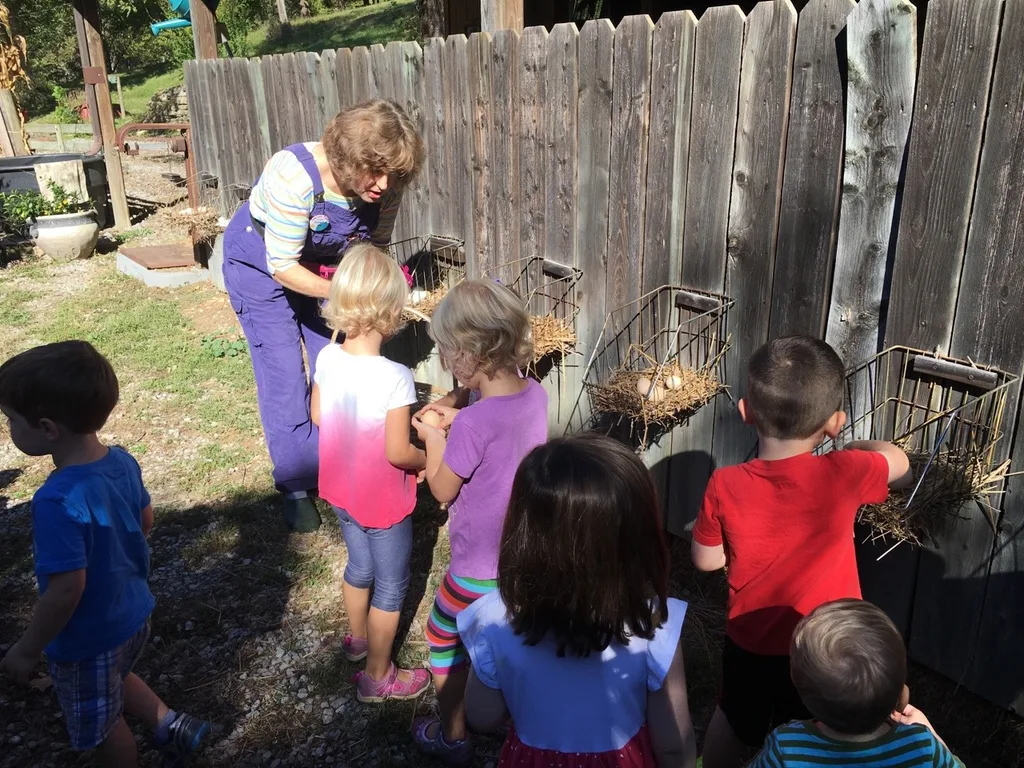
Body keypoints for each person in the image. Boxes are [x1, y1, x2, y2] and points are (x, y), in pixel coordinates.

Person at [691, 335, 912, 768]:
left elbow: (705, 560)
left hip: (750, 640)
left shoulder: (726, 483)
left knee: (735, 718)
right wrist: (855, 447)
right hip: (829, 645)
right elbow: (900, 464)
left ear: (745, 412)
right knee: (825, 727)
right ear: (834, 422)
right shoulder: (845, 471)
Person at [0, 341, 209, 768]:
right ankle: (170, 724)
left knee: (102, 724)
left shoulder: (55, 501)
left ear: (46, 428)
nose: (8, 428)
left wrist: (26, 649)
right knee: (114, 676)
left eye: (10, 420)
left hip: (85, 638)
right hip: (133, 614)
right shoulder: (121, 461)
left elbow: (65, 591)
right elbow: (145, 520)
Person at [222, 99, 424, 533]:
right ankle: (296, 482)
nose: (385, 185)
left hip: (327, 269)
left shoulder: (388, 184)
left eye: (395, 175)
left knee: (337, 360)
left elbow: (371, 249)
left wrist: (365, 287)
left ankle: (344, 467)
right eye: (375, 171)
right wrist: (351, 292)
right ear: (349, 158)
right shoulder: (294, 175)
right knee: (282, 368)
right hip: (263, 266)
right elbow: (282, 265)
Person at [458, 434, 697, 768]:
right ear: (638, 540)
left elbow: (481, 716)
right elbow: (673, 744)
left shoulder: (495, 618)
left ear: (524, 533)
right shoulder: (654, 625)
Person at [410, 280, 548, 767]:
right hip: (523, 558)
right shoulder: (535, 395)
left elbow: (444, 490)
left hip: (473, 570)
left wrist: (432, 435)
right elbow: (495, 422)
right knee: (510, 641)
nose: (446, 362)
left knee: (443, 637)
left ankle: (452, 735)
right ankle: (512, 716)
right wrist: (456, 407)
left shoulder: (471, 425)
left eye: (448, 353)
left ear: (471, 353)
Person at [310, 244, 429, 702]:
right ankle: (379, 677)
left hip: (340, 492)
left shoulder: (327, 356)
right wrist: (425, 461)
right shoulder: (395, 376)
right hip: (382, 503)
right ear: (392, 311)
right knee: (392, 584)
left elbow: (319, 416)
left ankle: (357, 641)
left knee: (358, 566)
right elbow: (399, 451)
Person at [749, 599, 964, 767]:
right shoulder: (921, 747)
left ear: (802, 692)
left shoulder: (787, 748)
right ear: (901, 693)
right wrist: (929, 731)